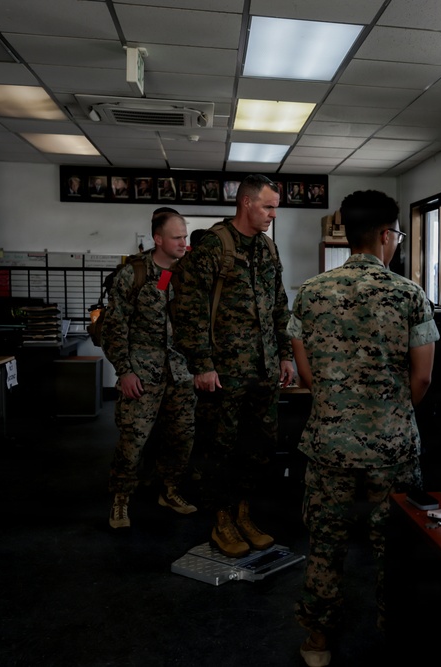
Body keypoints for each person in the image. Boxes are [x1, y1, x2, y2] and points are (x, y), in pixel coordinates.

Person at [288, 189, 438, 667]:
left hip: (328, 443)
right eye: (397, 234)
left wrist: (338, 407)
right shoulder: (410, 294)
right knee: (395, 546)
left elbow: (306, 373)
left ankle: (317, 641)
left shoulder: (311, 292)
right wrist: (389, 413)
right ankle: (396, 635)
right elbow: (423, 378)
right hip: (392, 447)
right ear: (384, 235)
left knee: (325, 543)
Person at [170, 174, 294, 558]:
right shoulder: (214, 246)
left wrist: (285, 354)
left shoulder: (267, 249)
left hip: (263, 371)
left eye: (275, 207)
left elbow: (279, 305)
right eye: (268, 206)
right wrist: (202, 364)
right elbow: (188, 309)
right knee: (219, 450)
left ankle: (243, 514)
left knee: (257, 449)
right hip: (224, 373)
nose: (273, 214)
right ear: (246, 203)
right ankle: (221, 519)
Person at [106, 208, 197, 529]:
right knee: (133, 441)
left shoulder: (190, 273)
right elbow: (115, 327)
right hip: (142, 374)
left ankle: (169, 491)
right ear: (158, 239)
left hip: (181, 372)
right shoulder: (133, 274)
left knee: (182, 437)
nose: (183, 243)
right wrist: (125, 371)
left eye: (185, 236)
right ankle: (120, 499)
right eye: (177, 238)